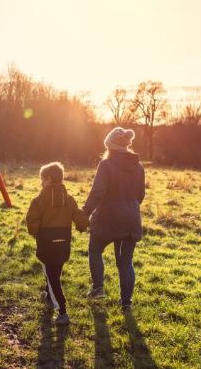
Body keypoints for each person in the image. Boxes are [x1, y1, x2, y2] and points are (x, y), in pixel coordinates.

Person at [82, 127, 146, 309]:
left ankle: (98, 289)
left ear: (109, 146)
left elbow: (97, 193)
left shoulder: (106, 165)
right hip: (131, 220)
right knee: (125, 261)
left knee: (95, 249)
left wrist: (85, 212)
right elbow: (140, 195)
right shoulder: (139, 167)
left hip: (107, 219)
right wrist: (129, 207)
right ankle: (126, 303)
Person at [25, 162, 88, 325]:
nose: (41, 183)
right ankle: (48, 295)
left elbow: (32, 223)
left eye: (42, 179)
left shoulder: (38, 201)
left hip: (46, 242)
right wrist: (84, 225)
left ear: (49, 179)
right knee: (54, 272)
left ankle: (62, 311)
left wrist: (34, 230)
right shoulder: (70, 199)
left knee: (53, 277)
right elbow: (79, 218)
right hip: (64, 242)